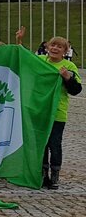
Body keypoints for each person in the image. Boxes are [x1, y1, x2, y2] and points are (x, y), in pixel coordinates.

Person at [38, 37, 82, 188]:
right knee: (42, 144)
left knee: (54, 144)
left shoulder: (69, 66)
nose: (55, 48)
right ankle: (43, 175)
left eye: (59, 47)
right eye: (53, 45)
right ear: (47, 47)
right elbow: (23, 60)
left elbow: (76, 90)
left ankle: (55, 175)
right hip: (40, 111)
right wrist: (19, 41)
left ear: (65, 51)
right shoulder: (40, 60)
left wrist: (68, 78)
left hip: (58, 112)